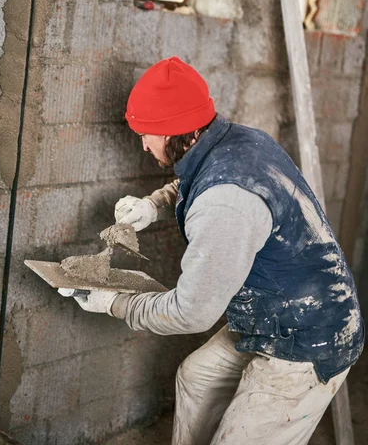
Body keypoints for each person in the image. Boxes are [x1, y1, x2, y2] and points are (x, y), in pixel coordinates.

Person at [70, 56, 364, 445]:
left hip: (308, 338)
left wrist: (116, 304)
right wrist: (153, 204)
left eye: (147, 134)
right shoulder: (238, 141)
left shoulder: (225, 204)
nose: (143, 144)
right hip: (273, 312)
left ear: (176, 132)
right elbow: (202, 178)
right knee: (197, 377)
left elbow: (190, 314)